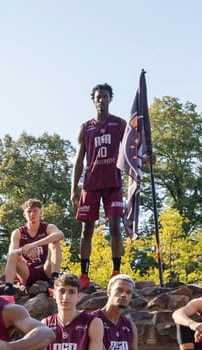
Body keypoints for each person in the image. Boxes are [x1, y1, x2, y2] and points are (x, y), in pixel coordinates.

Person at [71, 83, 128, 290]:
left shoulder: (119, 124)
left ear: (110, 99)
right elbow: (79, 159)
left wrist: (147, 154)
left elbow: (133, 146)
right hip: (91, 184)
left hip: (113, 182)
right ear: (93, 100)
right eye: (98, 97)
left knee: (115, 226)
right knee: (86, 229)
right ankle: (84, 274)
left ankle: (116, 270)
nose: (101, 100)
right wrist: (73, 188)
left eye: (105, 96)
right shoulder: (86, 127)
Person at [3, 199, 66, 290]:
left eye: (35, 211)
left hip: (46, 269)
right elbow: (11, 253)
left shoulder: (48, 227)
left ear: (41, 212)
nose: (32, 214)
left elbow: (60, 235)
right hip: (28, 271)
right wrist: (24, 249)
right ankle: (8, 288)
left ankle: (54, 278)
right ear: (24, 215)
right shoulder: (18, 232)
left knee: (55, 242)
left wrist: (34, 245)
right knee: (13, 255)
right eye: (29, 211)